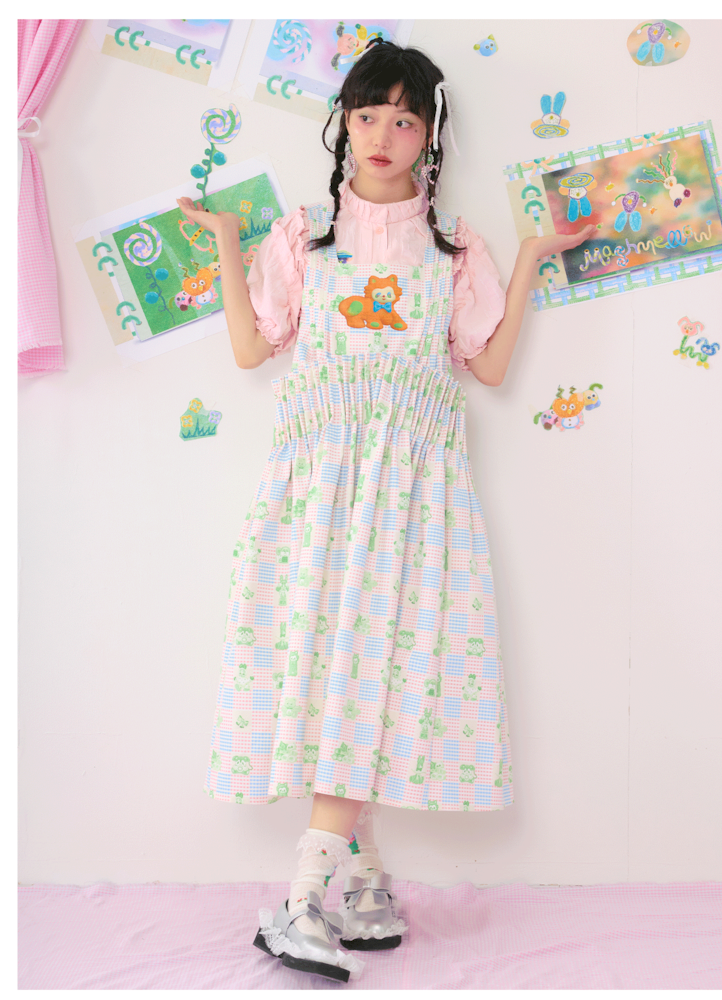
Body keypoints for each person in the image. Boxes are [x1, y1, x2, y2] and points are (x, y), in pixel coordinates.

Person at [177, 39, 595, 984]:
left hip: (415, 499)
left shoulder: (455, 249)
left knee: (377, 675)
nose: (383, 134)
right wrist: (228, 244)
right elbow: (253, 349)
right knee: (335, 675)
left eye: (405, 118)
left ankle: (322, 895)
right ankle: (343, 888)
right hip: (317, 493)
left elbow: (488, 366)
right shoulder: (305, 239)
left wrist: (530, 258)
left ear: (429, 136)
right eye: (368, 114)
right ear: (343, 123)